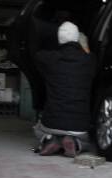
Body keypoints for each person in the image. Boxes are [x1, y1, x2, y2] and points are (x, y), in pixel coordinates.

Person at [34, 22, 96, 157]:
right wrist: (84, 45)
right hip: (79, 125)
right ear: (77, 39)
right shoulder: (90, 60)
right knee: (88, 140)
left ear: (59, 39)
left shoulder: (48, 58)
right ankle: (75, 142)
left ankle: (50, 139)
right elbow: (89, 54)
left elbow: (37, 54)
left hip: (52, 122)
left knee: (37, 129)